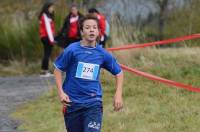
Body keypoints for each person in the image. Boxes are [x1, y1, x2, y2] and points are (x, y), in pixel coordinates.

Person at [54, 14, 123, 132]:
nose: (91, 30)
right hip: (72, 103)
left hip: (93, 103)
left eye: (94, 27)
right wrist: (61, 92)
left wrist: (118, 94)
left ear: (98, 31)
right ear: (81, 31)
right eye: (87, 27)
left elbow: (119, 73)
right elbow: (57, 70)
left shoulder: (102, 53)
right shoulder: (72, 50)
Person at [38, 2, 56, 77]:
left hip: (47, 37)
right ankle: (44, 71)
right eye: (51, 7)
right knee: (47, 54)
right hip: (46, 37)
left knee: (46, 54)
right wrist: (52, 40)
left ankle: (44, 70)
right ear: (47, 8)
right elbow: (48, 29)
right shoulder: (45, 16)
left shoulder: (48, 16)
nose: (52, 9)